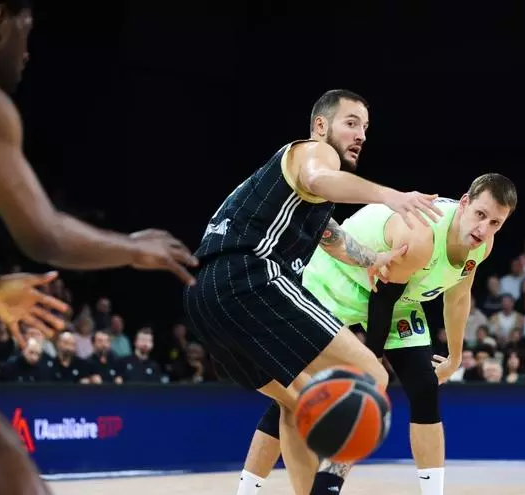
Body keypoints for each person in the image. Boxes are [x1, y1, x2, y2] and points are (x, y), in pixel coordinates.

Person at [0, 1, 201, 493]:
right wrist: (132, 248)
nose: (28, 51)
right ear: (0, 18)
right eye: (27, 28)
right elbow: (42, 235)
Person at [183, 88, 445, 495]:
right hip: (248, 276)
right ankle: (330, 482)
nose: (361, 135)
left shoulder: (299, 195)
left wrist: (373, 258)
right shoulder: (314, 152)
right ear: (321, 125)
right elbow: (317, 177)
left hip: (203, 298)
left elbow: (331, 236)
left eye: (365, 127)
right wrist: (390, 196)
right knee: (371, 373)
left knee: (295, 403)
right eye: (351, 123)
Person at [235, 174, 517, 495]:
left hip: (397, 295)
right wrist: (372, 361)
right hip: (337, 282)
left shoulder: (482, 245)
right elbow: (382, 297)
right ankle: (249, 490)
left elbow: (458, 298)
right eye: (480, 214)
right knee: (296, 392)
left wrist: (454, 356)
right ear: (464, 203)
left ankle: (346, 487)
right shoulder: (422, 234)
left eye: (495, 223)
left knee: (424, 387)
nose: (483, 229)